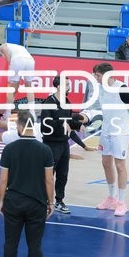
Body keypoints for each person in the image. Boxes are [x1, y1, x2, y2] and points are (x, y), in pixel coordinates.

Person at [0, 109, 55, 257]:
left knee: (10, 242)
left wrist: (1, 201)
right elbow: (49, 180)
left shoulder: (9, 149)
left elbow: (3, 180)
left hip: (13, 202)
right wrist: (51, 202)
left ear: (20, 126)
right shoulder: (45, 150)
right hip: (37, 203)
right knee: (35, 243)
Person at [92, 63, 129, 217]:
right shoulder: (100, 89)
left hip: (120, 132)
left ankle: (122, 202)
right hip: (106, 130)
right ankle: (111, 198)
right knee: (106, 163)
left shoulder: (122, 89)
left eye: (97, 75)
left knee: (120, 165)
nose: (95, 77)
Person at [40, 75, 74, 214]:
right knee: (48, 175)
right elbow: (45, 126)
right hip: (51, 145)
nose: (69, 87)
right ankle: (43, 201)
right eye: (66, 84)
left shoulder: (67, 102)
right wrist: (62, 123)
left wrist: (77, 126)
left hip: (64, 145)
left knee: (63, 175)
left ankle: (59, 201)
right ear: (59, 86)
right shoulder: (49, 102)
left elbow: (69, 125)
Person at [0, 42, 36, 116]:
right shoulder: (19, 47)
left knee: (10, 87)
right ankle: (32, 113)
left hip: (17, 60)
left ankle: (7, 114)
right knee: (28, 86)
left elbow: (9, 60)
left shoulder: (2, 47)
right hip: (30, 61)